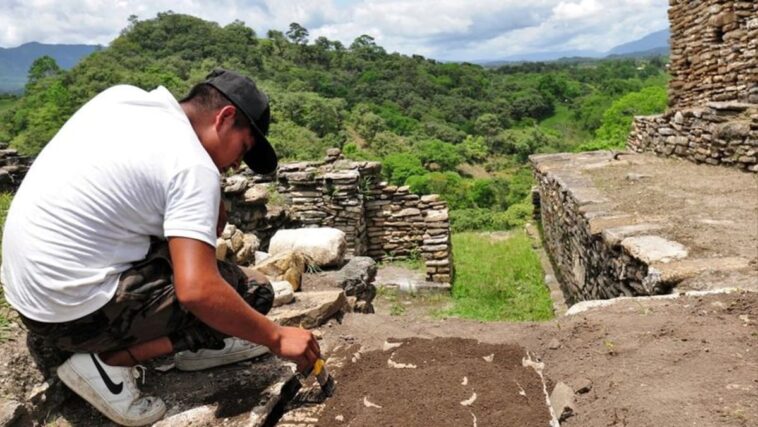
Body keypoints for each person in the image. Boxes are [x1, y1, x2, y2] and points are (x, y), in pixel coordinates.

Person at [0, 69, 320, 426]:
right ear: (225, 117)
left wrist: (208, 201)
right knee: (252, 293)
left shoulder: (122, 99)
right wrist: (275, 336)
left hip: (31, 294)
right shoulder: (192, 165)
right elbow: (198, 290)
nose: (234, 165)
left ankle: (194, 344)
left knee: (218, 291)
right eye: (242, 148)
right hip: (73, 315)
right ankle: (109, 362)